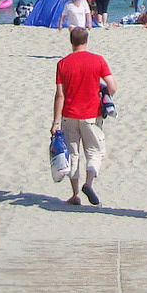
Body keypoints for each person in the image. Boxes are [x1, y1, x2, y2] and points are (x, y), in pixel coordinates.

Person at [52, 27, 114, 206]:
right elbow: (112, 86)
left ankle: (75, 194)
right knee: (94, 151)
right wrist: (106, 97)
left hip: (69, 114)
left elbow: (60, 95)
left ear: (71, 42)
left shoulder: (63, 64)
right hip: (91, 114)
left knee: (73, 154)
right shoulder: (97, 60)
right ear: (86, 41)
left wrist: (55, 122)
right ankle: (89, 183)